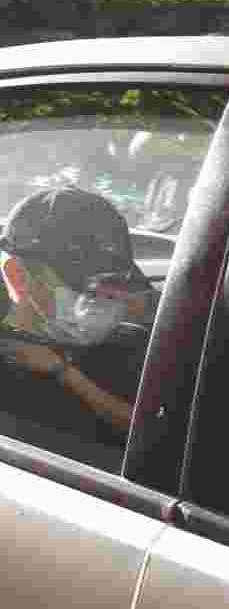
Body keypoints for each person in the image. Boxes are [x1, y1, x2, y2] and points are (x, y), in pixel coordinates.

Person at [0, 187, 156, 444]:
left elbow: (160, 438)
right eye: (83, 287)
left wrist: (67, 375)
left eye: (114, 288)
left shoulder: (129, 347)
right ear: (18, 276)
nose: (107, 304)